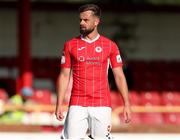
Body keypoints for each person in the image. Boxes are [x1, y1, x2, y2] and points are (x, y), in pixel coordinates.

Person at [55, 4, 131, 139]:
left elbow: (119, 76)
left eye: (86, 20)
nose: (81, 23)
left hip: (102, 104)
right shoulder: (70, 45)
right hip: (77, 104)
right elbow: (64, 75)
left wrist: (126, 104)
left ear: (96, 22)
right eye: (80, 20)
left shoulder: (110, 46)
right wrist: (59, 103)